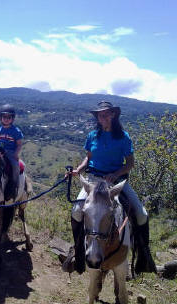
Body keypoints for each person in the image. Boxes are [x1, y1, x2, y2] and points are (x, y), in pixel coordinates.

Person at [64, 101, 157, 275]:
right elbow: (88, 157)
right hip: (93, 180)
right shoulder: (92, 136)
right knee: (77, 211)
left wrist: (116, 173)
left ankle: (144, 257)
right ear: (97, 117)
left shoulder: (123, 137)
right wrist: (79, 170)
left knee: (141, 214)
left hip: (116, 183)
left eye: (106, 114)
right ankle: (78, 253)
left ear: (113, 115)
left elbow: (130, 164)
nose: (103, 117)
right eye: (100, 115)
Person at [0, 104, 23, 201]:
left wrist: (16, 154)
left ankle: (13, 187)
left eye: (9, 117)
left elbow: (19, 145)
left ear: (12, 118)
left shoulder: (16, 131)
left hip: (10, 153)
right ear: (1, 118)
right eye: (4, 117)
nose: (6, 119)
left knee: (15, 167)